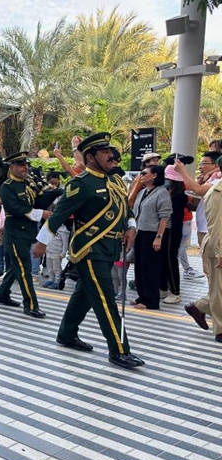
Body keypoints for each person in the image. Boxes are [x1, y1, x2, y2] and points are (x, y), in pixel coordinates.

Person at [33, 132, 144, 369]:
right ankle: (119, 349)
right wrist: (41, 243)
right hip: (90, 250)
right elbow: (59, 214)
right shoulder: (80, 184)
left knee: (84, 295)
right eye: (105, 152)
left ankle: (66, 334)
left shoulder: (114, 181)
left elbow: (126, 208)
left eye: (110, 151)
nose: (110, 155)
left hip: (110, 248)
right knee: (105, 300)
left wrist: (131, 227)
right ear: (91, 157)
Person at [0, 152, 58, 319]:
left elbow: (38, 201)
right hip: (15, 234)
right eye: (21, 165)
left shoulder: (28, 183)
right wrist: (41, 214)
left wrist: (56, 192)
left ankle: (1, 294)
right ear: (12, 167)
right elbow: (16, 209)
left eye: (26, 165)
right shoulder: (7, 187)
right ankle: (30, 305)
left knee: (17, 267)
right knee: (24, 269)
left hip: (28, 232)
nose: (25, 168)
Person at [184, 164, 222, 342]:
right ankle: (220, 329)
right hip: (218, 247)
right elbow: (215, 225)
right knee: (219, 289)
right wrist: (220, 251)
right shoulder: (217, 192)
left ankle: (198, 307)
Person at [131, 165, 171, 310]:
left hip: (153, 233)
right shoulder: (143, 192)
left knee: (150, 268)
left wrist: (159, 237)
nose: (141, 175)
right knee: (140, 266)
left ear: (154, 175)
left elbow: (164, 216)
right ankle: (142, 296)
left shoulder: (162, 193)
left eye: (144, 173)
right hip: (141, 232)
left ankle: (151, 300)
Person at [160, 165, 188, 304]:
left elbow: (172, 213)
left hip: (173, 230)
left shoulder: (179, 196)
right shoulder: (167, 192)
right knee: (163, 259)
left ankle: (175, 291)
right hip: (166, 230)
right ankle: (164, 287)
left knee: (171, 259)